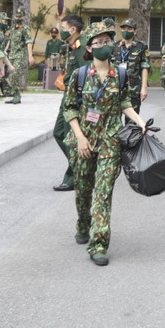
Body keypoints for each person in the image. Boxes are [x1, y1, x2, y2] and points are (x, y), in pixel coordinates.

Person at [63, 22, 146, 266]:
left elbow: (124, 103)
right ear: (89, 47)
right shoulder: (79, 75)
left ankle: (98, 243)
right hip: (83, 140)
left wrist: (139, 121)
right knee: (84, 190)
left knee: (103, 192)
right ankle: (83, 222)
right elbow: (69, 108)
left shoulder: (120, 75)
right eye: (99, 42)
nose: (104, 46)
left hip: (110, 139)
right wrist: (79, 137)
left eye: (108, 41)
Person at [52, 14, 88, 191]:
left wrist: (79, 102)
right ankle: (84, 167)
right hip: (67, 96)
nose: (60, 31)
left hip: (75, 100)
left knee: (69, 138)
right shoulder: (72, 47)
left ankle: (73, 177)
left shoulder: (82, 48)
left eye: (63, 28)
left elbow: (86, 75)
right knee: (58, 133)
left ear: (73, 30)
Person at [117, 18, 151, 120]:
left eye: (129, 29)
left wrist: (144, 88)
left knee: (131, 124)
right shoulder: (115, 46)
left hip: (133, 90)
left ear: (134, 31)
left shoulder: (141, 46)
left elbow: (145, 67)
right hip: (116, 89)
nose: (126, 31)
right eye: (123, 29)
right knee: (114, 123)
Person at [4, 12, 35, 104]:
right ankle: (15, 94)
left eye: (20, 16)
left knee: (15, 74)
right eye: (16, 16)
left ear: (23, 17)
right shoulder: (13, 28)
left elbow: (29, 42)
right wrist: (5, 51)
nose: (18, 18)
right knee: (10, 76)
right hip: (12, 55)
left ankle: (17, 95)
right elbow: (10, 40)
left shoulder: (25, 29)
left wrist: (30, 56)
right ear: (14, 16)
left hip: (20, 55)